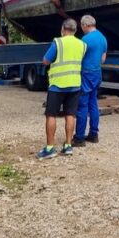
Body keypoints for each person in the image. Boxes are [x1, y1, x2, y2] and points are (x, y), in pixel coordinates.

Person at [37, 18, 86, 159]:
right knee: (70, 114)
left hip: (58, 85)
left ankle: (50, 148)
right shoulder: (82, 44)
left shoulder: (58, 42)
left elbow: (46, 60)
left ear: (63, 29)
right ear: (76, 30)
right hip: (75, 84)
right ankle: (68, 146)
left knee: (51, 115)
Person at [74, 14, 108, 146]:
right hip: (97, 73)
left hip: (86, 74)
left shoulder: (85, 40)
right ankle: (94, 134)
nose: (82, 28)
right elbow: (103, 59)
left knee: (82, 105)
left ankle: (79, 138)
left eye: (82, 26)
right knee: (93, 103)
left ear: (85, 25)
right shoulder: (102, 38)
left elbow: (78, 57)